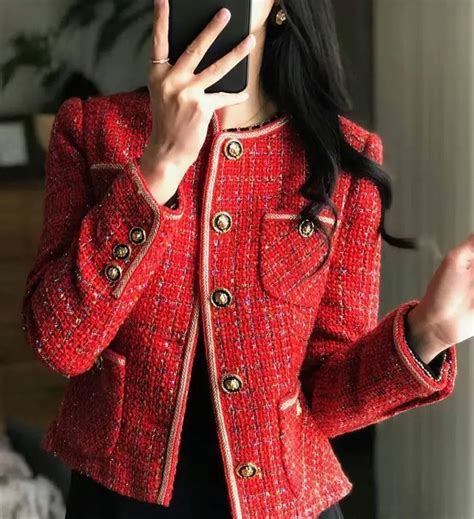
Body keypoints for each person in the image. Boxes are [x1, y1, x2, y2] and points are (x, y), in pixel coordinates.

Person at [21, 0, 473, 517]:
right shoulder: (91, 130)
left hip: (284, 503)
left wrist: (427, 332)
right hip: (118, 499)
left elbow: (326, 402)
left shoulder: (342, 161)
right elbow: (59, 344)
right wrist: (158, 168)